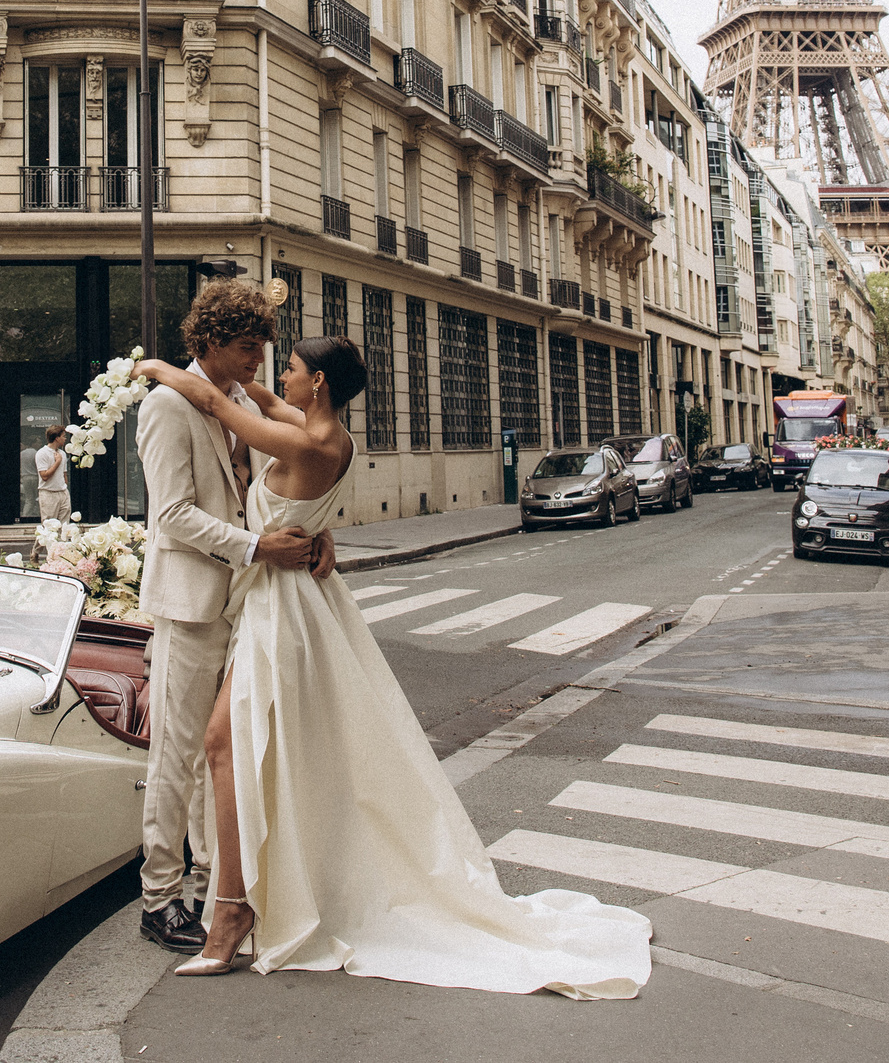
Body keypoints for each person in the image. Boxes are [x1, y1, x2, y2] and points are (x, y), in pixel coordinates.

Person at [139, 337, 652, 999]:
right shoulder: (329, 436)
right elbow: (253, 401)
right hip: (283, 603)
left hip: (281, 610)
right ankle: (250, 894)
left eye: (289, 367)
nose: (275, 375)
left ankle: (234, 907)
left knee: (226, 746)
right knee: (245, 749)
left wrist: (153, 367)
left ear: (317, 383)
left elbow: (218, 403)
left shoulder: (305, 443)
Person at [132, 280, 320, 958]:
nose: (257, 360)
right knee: (174, 754)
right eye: (246, 347)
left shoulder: (239, 402)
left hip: (246, 603)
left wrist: (311, 534)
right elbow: (172, 515)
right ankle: (159, 898)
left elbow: (272, 485)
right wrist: (255, 547)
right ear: (209, 341)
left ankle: (214, 888)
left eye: (263, 348)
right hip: (190, 604)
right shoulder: (165, 406)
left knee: (224, 750)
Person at [33, 424, 72, 524]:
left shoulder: (62, 453)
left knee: (65, 525)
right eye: (63, 436)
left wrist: (65, 488)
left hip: (63, 492)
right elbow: (44, 476)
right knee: (50, 526)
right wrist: (57, 462)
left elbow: (64, 475)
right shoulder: (42, 453)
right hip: (48, 493)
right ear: (57, 438)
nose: (65, 439)